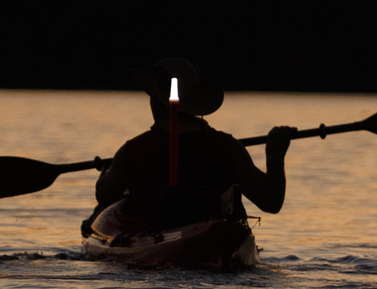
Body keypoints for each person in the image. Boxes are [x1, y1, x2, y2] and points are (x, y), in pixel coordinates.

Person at [85, 58, 295, 236]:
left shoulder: (133, 150)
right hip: (212, 242)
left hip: (154, 245)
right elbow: (271, 201)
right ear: (195, 104)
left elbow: (104, 195)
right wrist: (275, 154)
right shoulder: (228, 147)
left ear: (157, 101)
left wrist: (106, 173)